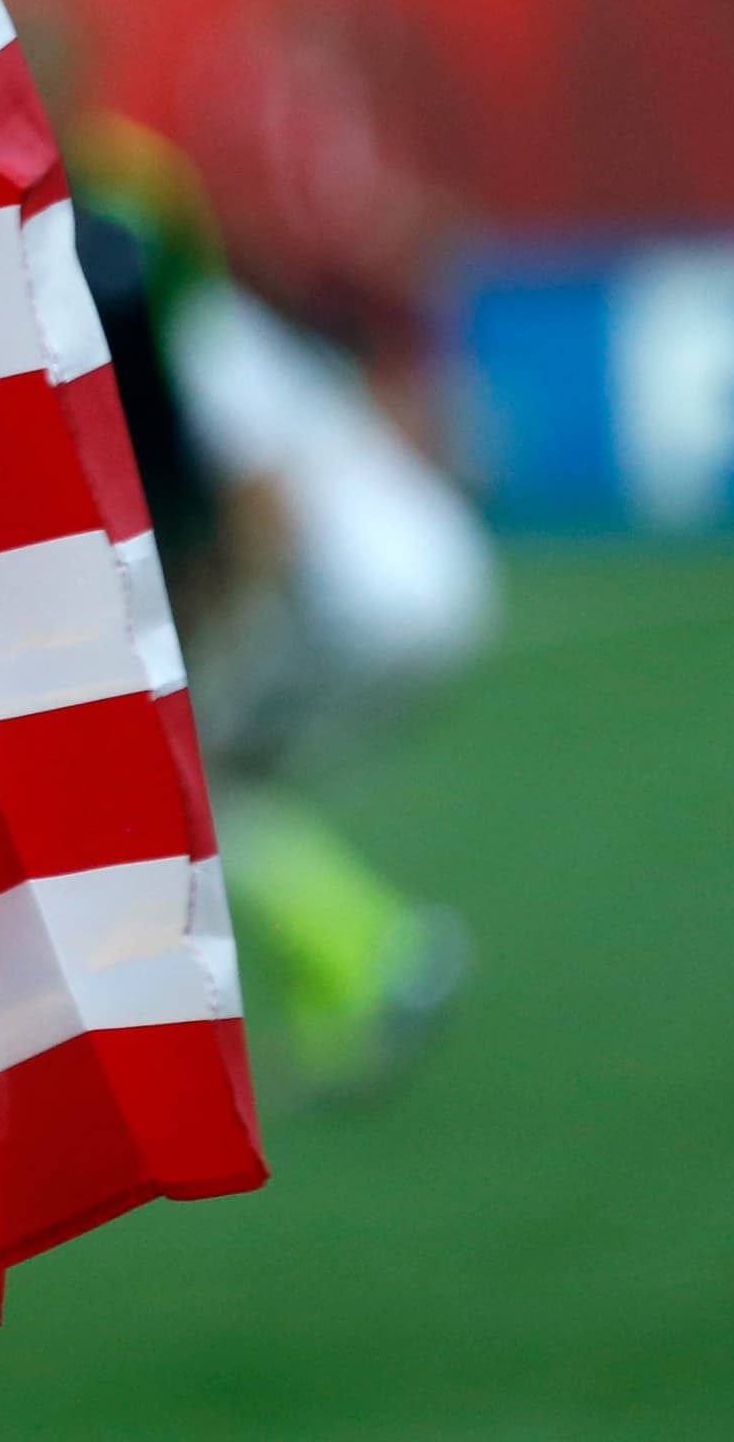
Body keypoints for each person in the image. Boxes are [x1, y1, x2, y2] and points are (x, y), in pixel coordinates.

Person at [66, 108, 490, 1101]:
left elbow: (269, 510)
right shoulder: (219, 317)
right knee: (211, 776)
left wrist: (223, 636)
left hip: (365, 604)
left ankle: (375, 950)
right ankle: (352, 973)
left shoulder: (195, 333)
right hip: (422, 577)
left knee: (180, 776)